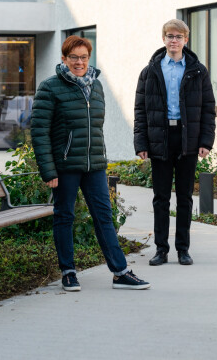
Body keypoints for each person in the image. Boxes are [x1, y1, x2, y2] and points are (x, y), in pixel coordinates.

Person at [31, 35, 150, 291]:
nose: (79, 62)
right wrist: (48, 170)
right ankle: (68, 272)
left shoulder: (96, 86)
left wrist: (100, 157)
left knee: (104, 217)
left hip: (94, 165)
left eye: (84, 57)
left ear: (89, 58)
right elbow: (39, 132)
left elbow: (96, 127)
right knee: (65, 216)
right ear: (64, 59)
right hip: (65, 166)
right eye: (73, 57)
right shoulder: (50, 87)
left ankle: (120, 272)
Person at [134, 19, 216, 266]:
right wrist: (141, 143)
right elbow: (140, 109)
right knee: (160, 198)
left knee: (184, 197)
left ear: (185, 40)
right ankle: (161, 249)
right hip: (160, 138)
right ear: (163, 39)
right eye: (170, 36)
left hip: (187, 139)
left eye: (178, 37)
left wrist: (205, 141)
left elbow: (208, 109)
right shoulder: (150, 71)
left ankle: (183, 249)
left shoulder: (198, 71)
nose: (174, 41)